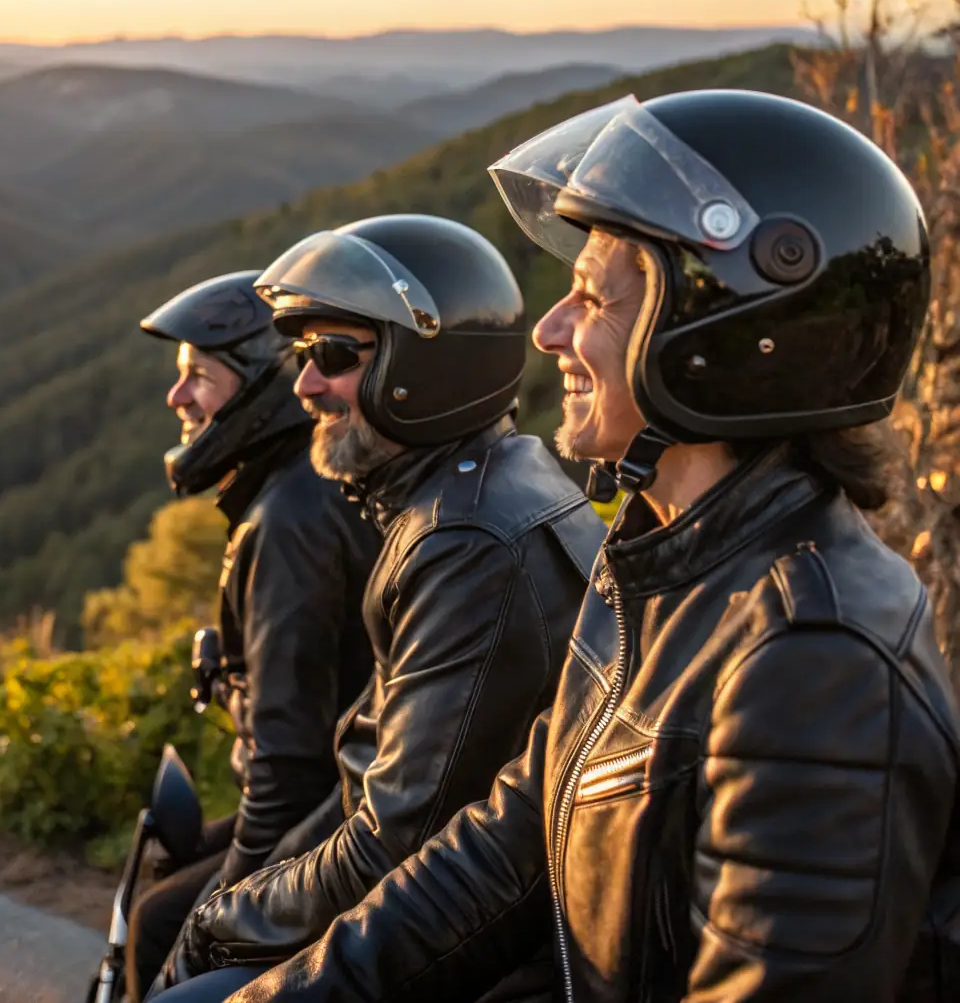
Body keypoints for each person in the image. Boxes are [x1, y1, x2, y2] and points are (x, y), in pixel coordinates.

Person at [175, 90, 960, 1003]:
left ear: (719, 332)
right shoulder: (656, 561)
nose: (549, 331)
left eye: (591, 296)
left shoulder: (812, 661)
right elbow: (502, 851)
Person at [153, 214, 605, 998]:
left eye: (333, 354)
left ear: (424, 366)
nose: (305, 384)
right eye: (302, 355)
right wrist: (234, 901)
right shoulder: (483, 485)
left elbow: (393, 840)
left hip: (459, 943)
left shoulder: (465, 540)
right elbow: (360, 778)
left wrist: (220, 919)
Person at [126, 270, 381, 1001]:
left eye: (198, 378)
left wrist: (201, 938)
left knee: (155, 921)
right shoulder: (304, 489)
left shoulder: (288, 524)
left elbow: (288, 769)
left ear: (260, 391)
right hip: (335, 804)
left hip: (322, 821)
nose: (178, 398)